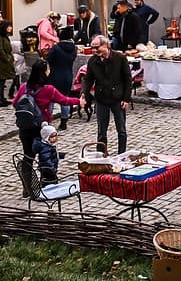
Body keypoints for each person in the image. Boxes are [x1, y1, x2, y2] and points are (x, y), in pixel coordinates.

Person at [13, 60, 79, 189]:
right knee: (46, 156)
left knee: (28, 157)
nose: (50, 71)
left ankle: (27, 188)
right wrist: (79, 101)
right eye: (48, 69)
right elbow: (64, 100)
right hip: (41, 129)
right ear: (44, 72)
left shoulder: (24, 87)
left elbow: (15, 103)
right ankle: (47, 183)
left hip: (25, 128)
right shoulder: (49, 90)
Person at [80, 35, 132, 154]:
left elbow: (128, 79)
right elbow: (88, 80)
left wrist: (126, 99)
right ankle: (101, 155)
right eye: (92, 48)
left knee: (121, 130)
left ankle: (122, 154)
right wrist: (83, 94)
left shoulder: (120, 58)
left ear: (105, 45)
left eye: (96, 47)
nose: (94, 50)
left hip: (117, 99)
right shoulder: (93, 61)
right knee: (101, 131)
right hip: (101, 99)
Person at [47, 26, 77, 131]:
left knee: (50, 99)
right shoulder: (74, 48)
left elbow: (48, 59)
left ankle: (48, 121)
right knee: (65, 99)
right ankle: (64, 122)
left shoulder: (56, 48)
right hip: (67, 75)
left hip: (54, 76)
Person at [0, 19, 14, 107]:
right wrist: (7, 59)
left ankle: (2, 98)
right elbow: (0, 50)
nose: (11, 28)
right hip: (2, 62)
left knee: (3, 81)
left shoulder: (5, 36)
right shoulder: (1, 37)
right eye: (9, 26)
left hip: (5, 62)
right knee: (1, 81)